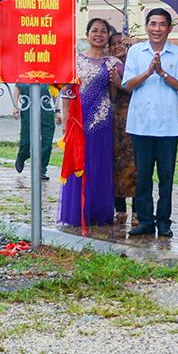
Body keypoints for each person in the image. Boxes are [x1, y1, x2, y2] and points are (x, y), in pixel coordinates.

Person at [123, 8, 178, 237]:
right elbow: (127, 85)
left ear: (169, 28)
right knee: (142, 176)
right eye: (153, 24)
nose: (157, 29)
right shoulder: (136, 52)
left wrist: (161, 72)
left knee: (166, 176)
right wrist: (148, 72)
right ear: (146, 26)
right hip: (140, 124)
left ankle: (164, 222)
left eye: (162, 24)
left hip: (166, 125)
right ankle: (145, 221)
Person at [60, 18, 122, 227]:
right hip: (78, 121)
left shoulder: (114, 63)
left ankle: (99, 213)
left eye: (103, 31)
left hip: (103, 123)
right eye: (94, 30)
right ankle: (78, 212)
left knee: (100, 166)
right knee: (79, 162)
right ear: (87, 35)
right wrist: (65, 121)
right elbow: (66, 93)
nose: (98, 34)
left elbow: (114, 97)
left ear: (107, 36)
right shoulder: (74, 61)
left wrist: (115, 82)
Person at [109, 32, 136, 218]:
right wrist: (113, 83)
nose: (118, 46)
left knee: (136, 164)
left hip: (136, 117)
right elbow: (111, 96)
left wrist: (122, 84)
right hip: (116, 119)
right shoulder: (109, 65)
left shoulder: (136, 64)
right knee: (116, 162)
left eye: (122, 43)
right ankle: (119, 208)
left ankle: (136, 209)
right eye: (114, 43)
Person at [12, 83, 57, 181]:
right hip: (28, 107)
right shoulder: (25, 71)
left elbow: (55, 91)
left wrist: (58, 111)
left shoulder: (49, 73)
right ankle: (22, 155)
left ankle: (42, 169)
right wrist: (15, 106)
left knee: (47, 141)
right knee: (26, 140)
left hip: (46, 108)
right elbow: (18, 88)